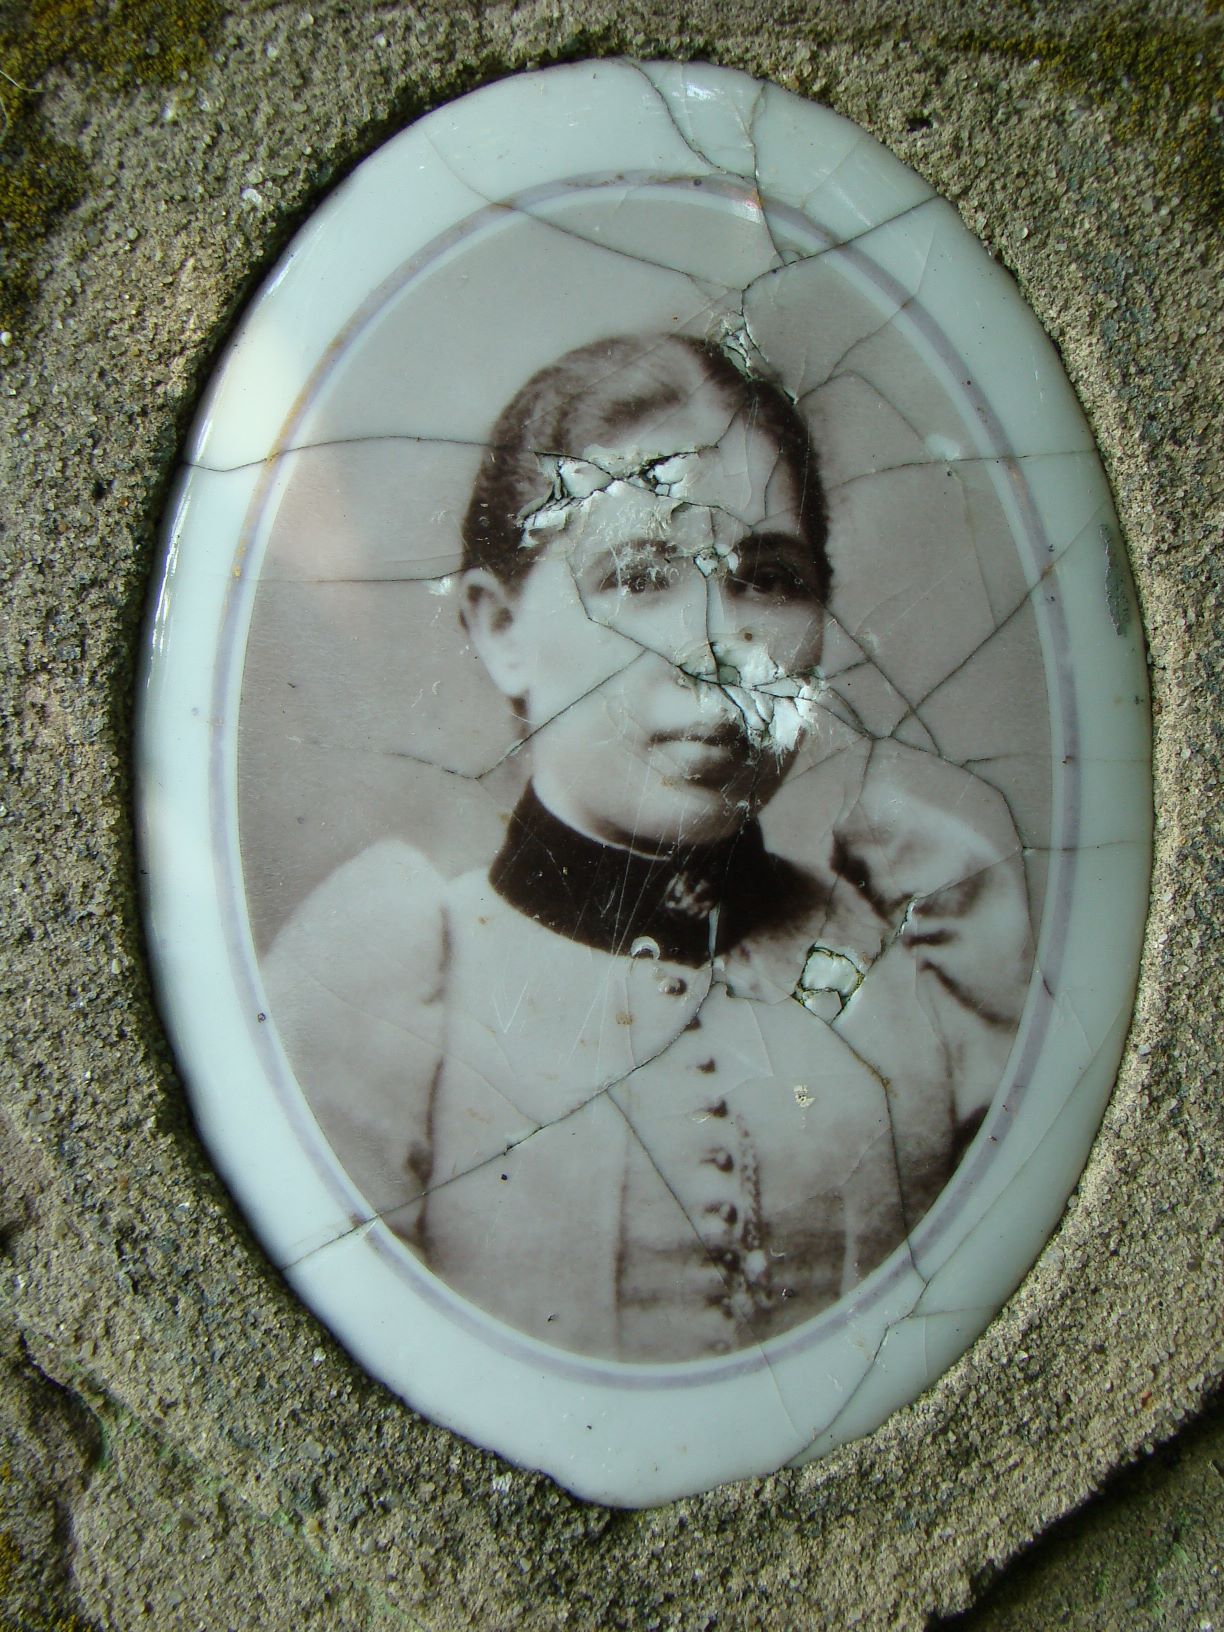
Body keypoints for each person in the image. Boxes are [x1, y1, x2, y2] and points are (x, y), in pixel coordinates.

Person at [264, 333, 1033, 1363]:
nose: (718, 652)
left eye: (769, 577)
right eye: (636, 576)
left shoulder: (923, 949)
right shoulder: (393, 988)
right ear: (500, 630)